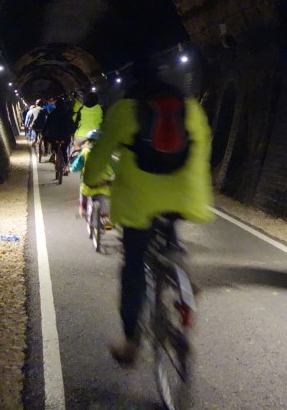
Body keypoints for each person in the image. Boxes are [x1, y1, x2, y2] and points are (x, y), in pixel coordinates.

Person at [83, 59, 213, 366]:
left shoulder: (125, 111)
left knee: (134, 265)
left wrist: (91, 180)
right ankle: (181, 276)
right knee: (169, 233)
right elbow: (204, 146)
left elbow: (101, 152)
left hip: (139, 200)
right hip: (185, 194)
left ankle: (130, 341)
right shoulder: (191, 108)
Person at [71, 129, 113, 226]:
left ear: (88, 141)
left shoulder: (85, 152)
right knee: (103, 198)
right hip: (103, 182)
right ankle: (105, 217)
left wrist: (72, 169)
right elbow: (113, 166)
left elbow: (76, 165)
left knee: (83, 193)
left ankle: (83, 210)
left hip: (88, 182)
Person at [42, 97, 76, 168]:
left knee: (54, 146)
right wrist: (72, 133)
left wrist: (44, 132)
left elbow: (47, 125)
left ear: (56, 105)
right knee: (64, 149)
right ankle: (66, 165)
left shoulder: (52, 114)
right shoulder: (67, 114)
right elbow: (72, 125)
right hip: (65, 136)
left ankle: (54, 154)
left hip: (54, 136)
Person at [72, 91, 104, 156]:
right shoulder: (101, 108)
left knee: (76, 146)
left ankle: (75, 161)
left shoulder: (81, 108)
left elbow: (74, 121)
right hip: (96, 136)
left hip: (81, 135)